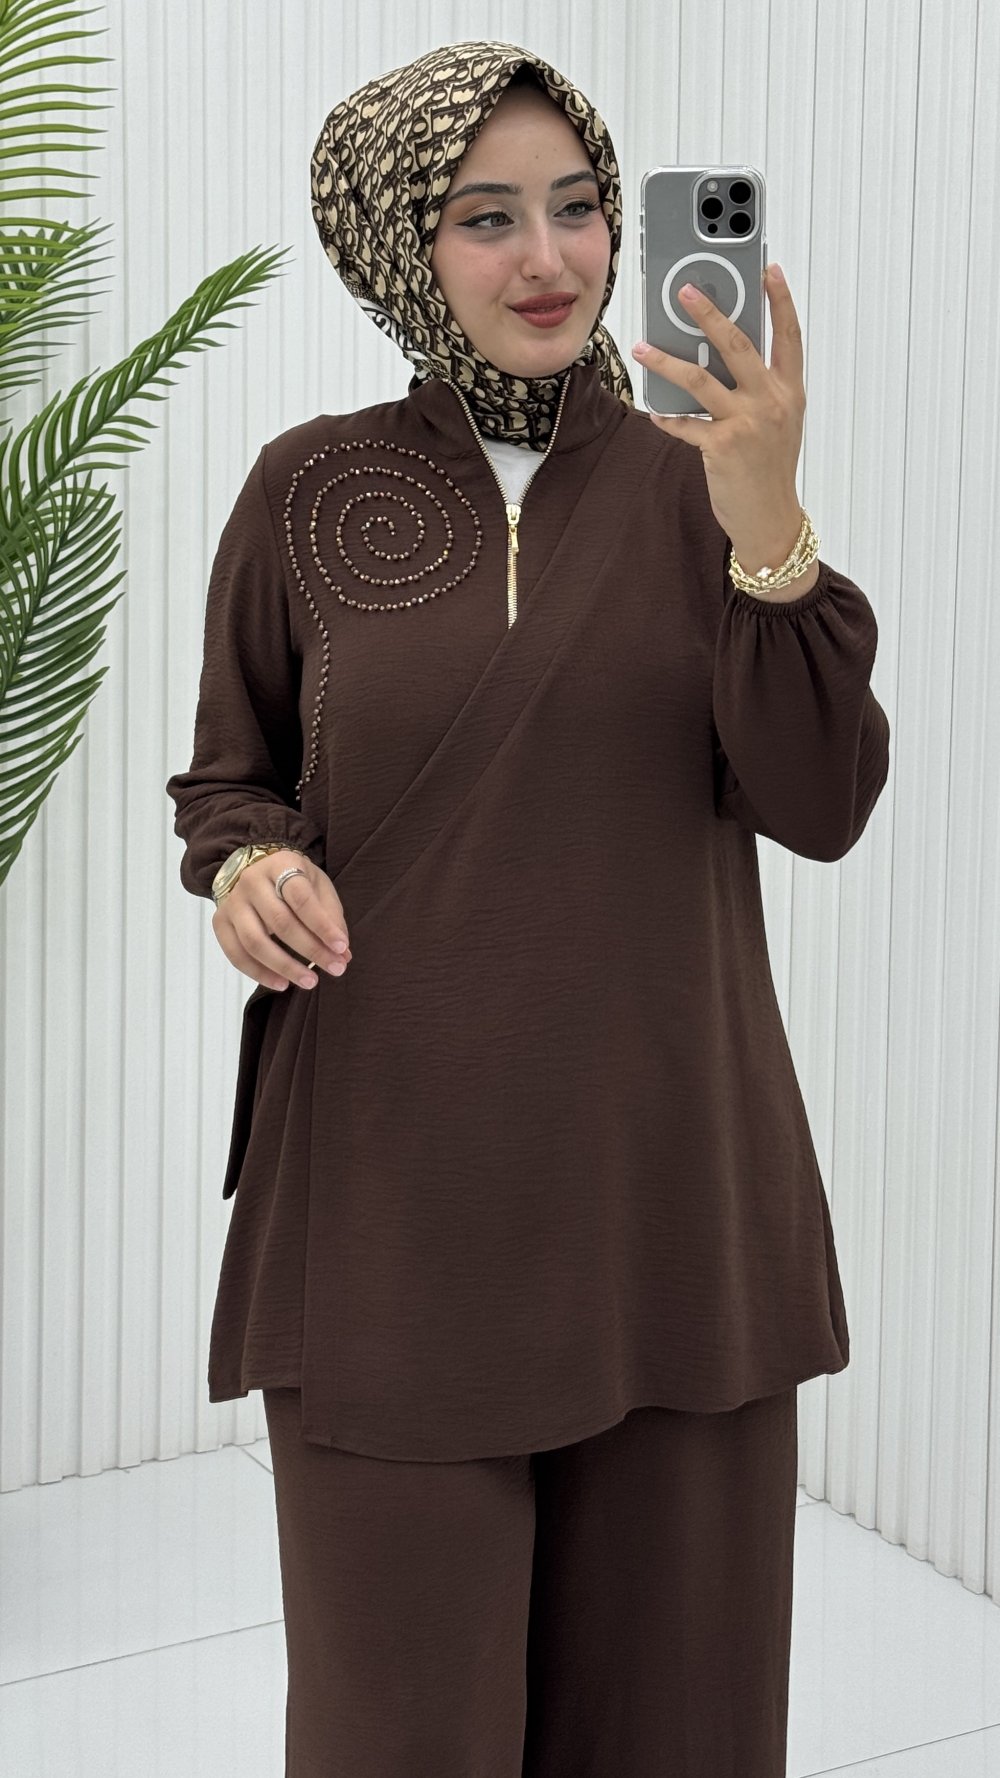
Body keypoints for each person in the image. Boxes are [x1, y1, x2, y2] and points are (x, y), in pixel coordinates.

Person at [165, 39, 890, 1778]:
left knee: (678, 1724)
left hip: (671, 1200)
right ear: (399, 245)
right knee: (399, 1728)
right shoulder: (307, 488)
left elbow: (823, 804)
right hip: (394, 1210)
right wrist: (250, 870)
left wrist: (770, 524)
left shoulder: (701, 486)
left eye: (577, 207)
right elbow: (229, 783)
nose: (550, 258)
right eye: (486, 217)